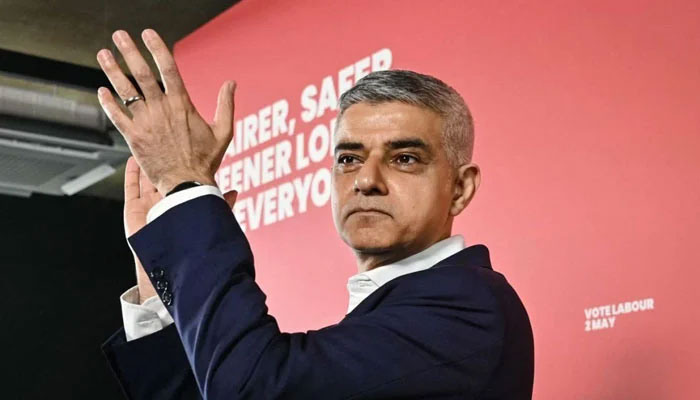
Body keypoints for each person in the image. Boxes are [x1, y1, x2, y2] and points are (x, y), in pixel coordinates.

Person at [98, 28, 534, 399]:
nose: (366, 180)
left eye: (404, 158)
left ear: (460, 188)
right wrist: (161, 290)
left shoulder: (468, 307)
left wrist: (186, 187)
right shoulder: (399, 308)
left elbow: (253, 389)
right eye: (349, 159)